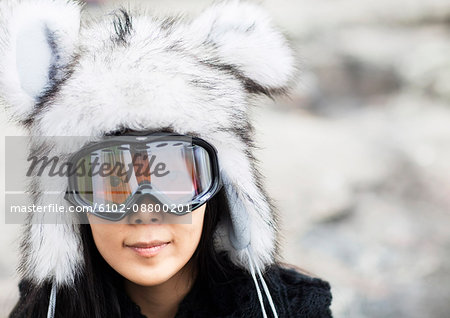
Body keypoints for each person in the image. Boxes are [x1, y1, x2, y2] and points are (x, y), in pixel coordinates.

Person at [1, 0, 333, 317]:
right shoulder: (43, 311)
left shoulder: (291, 309)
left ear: (220, 190)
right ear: (72, 203)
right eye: (112, 181)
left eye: (173, 177)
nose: (145, 213)